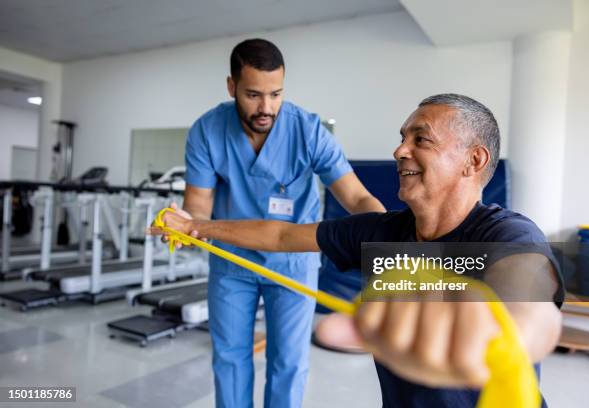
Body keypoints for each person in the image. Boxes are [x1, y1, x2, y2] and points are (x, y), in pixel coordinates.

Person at [152, 93, 563, 407]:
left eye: (422, 139)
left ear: (473, 161)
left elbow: (530, 311)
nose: (400, 150)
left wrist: (492, 326)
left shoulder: (508, 235)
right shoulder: (381, 235)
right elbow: (280, 237)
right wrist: (196, 226)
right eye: (402, 138)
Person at [180, 38, 385, 408]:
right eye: (253, 94)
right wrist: (187, 226)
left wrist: (390, 236)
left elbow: (356, 198)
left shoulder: (307, 130)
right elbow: (197, 204)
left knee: (288, 363)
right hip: (232, 262)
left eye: (276, 94)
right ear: (232, 87)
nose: (266, 107)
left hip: (293, 262)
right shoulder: (207, 131)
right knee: (229, 358)